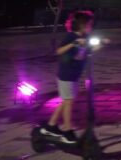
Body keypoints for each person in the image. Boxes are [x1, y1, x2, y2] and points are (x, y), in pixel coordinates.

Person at [40, 11, 102, 144]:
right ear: (81, 25)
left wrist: (99, 45)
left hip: (74, 75)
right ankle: (67, 131)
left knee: (66, 101)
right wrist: (73, 43)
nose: (90, 27)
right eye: (89, 25)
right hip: (66, 75)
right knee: (68, 102)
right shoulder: (71, 36)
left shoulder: (85, 37)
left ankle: (50, 126)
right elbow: (59, 51)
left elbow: (86, 52)